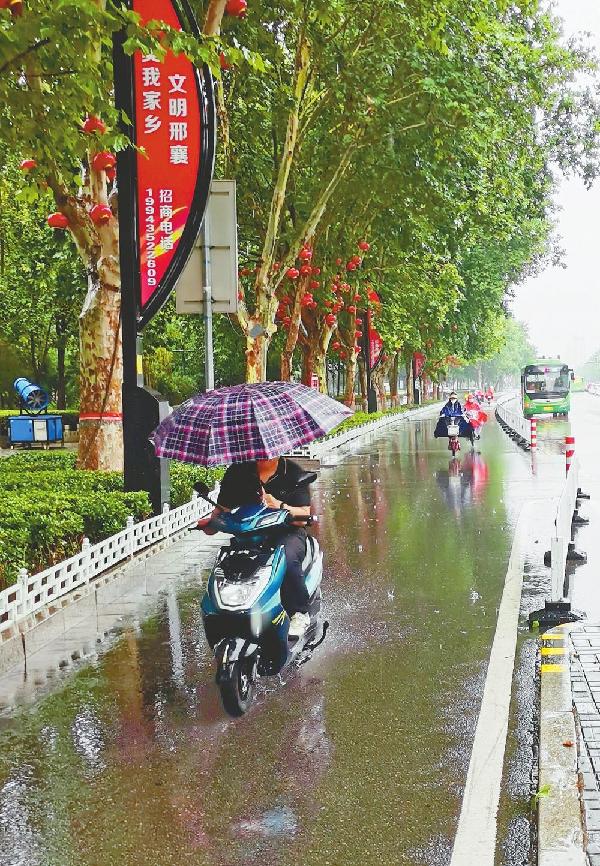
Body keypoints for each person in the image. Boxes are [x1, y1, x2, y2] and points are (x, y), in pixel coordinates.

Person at [197, 456, 313, 638]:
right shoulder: (237, 471)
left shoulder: (292, 471)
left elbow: (304, 515)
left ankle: (299, 612)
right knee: (227, 563)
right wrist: (211, 524)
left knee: (287, 558)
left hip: (287, 533)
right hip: (248, 535)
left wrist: (279, 505)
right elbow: (221, 511)